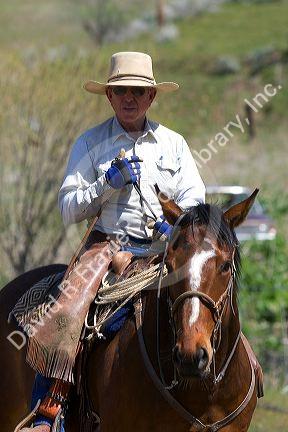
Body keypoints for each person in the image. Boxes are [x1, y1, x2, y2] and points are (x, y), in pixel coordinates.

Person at [18, 51, 205, 432]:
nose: (129, 98)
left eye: (138, 91)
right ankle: (48, 411)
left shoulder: (174, 145)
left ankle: (222, 396)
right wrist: (105, 184)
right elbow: (68, 208)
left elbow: (196, 200)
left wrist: (176, 227)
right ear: (109, 96)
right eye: (121, 91)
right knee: (68, 310)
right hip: (107, 250)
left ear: (151, 97)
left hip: (163, 249)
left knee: (205, 297)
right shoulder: (89, 143)